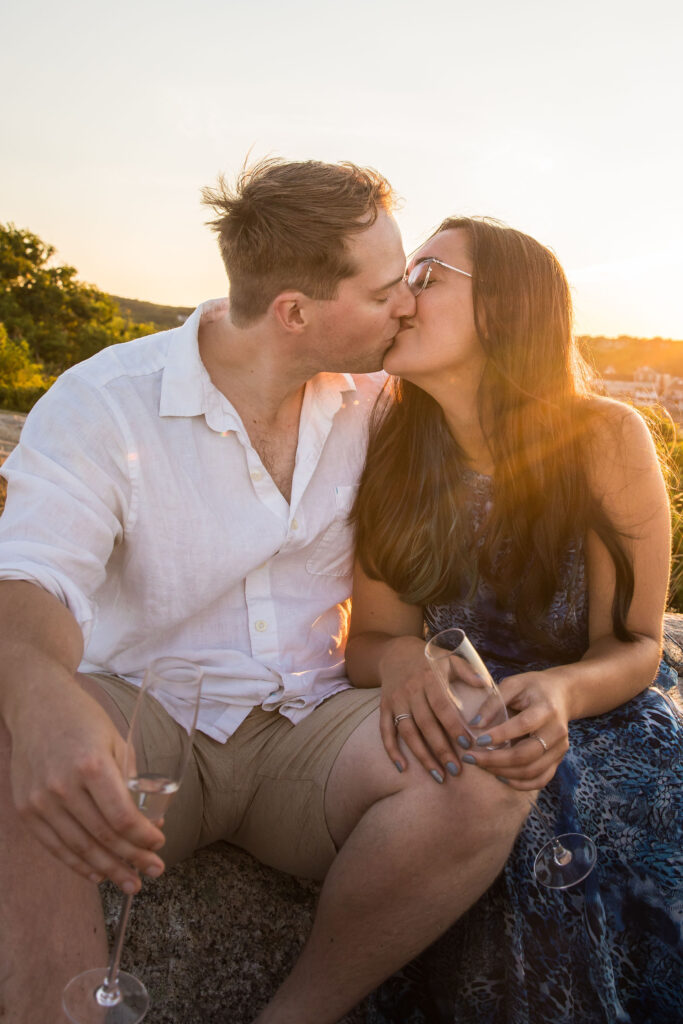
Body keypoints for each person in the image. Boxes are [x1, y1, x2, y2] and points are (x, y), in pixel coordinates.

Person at [0, 163, 532, 1024]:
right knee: (10, 723)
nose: (407, 304)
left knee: (486, 758)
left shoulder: (379, 398)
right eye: (387, 288)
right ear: (295, 312)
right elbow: (30, 573)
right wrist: (38, 695)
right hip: (146, 726)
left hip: (308, 732)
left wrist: (407, 661)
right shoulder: (104, 402)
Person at [346, 216, 683, 1023]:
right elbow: (371, 639)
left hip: (596, 710)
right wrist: (401, 663)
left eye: (426, 276)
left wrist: (559, 693)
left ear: (502, 311)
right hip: (465, 710)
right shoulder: (394, 444)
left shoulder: (603, 435)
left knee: (535, 815)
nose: (401, 294)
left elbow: (636, 645)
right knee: (464, 795)